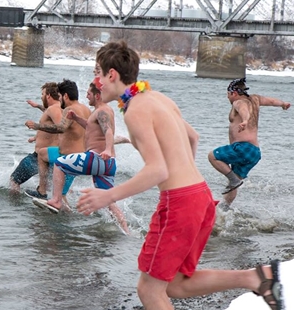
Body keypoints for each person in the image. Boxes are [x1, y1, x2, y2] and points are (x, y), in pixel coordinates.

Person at [76, 41, 284, 310]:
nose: (96, 82)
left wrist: (108, 195)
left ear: (112, 74)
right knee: (174, 284)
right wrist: (184, 174)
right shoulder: (157, 98)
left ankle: (256, 278)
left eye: (98, 74)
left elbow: (157, 170)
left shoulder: (135, 111)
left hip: (181, 202)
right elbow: (192, 137)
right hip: (199, 196)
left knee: (149, 290)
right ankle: (255, 278)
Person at [33, 78, 129, 234]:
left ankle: (56, 200)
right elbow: (92, 128)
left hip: (98, 158)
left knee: (59, 163)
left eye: (89, 93)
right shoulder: (101, 111)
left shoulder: (102, 111)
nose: (86, 96)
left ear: (97, 95)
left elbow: (108, 131)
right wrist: (76, 119)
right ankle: (126, 230)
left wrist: (107, 149)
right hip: (108, 164)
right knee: (109, 202)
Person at [208, 78, 291, 207]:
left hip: (243, 148)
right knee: (233, 186)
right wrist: (283, 103)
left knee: (212, 156)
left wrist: (245, 120)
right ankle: (224, 208)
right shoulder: (255, 99)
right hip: (254, 152)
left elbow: (244, 110)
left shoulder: (238, 102)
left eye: (228, 95)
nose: (228, 98)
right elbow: (272, 101)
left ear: (234, 93)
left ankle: (233, 181)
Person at [24, 79, 92, 200]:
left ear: (65, 96)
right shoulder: (86, 110)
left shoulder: (69, 110)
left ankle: (43, 192)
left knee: (61, 197)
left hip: (69, 158)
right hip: (81, 156)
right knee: (42, 153)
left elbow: (61, 128)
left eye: (60, 96)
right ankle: (43, 191)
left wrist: (37, 126)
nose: (59, 99)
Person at [9, 82, 62, 193]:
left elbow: (60, 128)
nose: (41, 96)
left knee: (14, 180)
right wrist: (37, 106)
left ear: (48, 95)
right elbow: (50, 116)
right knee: (52, 187)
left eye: (42, 94)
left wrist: (36, 126)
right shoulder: (55, 109)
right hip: (49, 155)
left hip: (40, 156)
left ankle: (15, 207)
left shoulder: (54, 109)